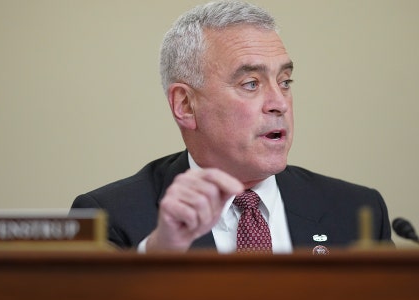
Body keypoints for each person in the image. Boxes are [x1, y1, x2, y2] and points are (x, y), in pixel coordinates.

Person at [71, 1, 393, 253]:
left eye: (285, 81)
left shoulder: (356, 210)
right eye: (251, 84)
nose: (279, 102)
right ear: (185, 105)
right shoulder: (109, 216)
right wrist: (161, 250)